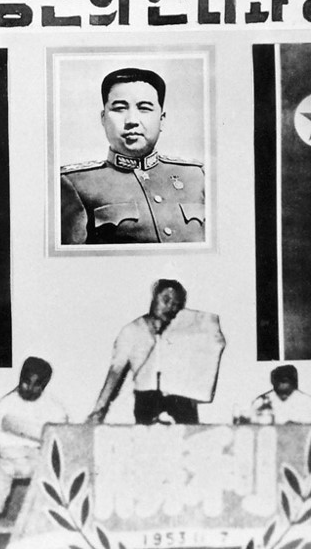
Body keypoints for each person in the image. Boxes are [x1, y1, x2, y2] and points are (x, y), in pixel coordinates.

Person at [61, 67, 205, 244]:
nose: (132, 121)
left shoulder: (197, 176)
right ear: (103, 118)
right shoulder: (75, 183)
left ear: (162, 119)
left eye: (144, 108)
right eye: (119, 108)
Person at [87, 280, 225, 425]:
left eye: (176, 305)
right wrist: (99, 409)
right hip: (147, 401)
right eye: (166, 300)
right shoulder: (132, 330)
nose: (170, 307)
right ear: (154, 296)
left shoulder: (185, 334)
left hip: (180, 402)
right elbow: (115, 371)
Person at [0, 356, 69, 531]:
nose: (30, 388)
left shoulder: (55, 408)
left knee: (58, 476)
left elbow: (59, 439)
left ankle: (52, 527)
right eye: (26, 382)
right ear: (20, 379)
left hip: (39, 460)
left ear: (44, 385)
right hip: (9, 459)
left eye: (37, 385)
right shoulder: (5, 405)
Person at [246, 364, 311, 426]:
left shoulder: (309, 402)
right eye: (279, 381)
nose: (282, 385)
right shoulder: (260, 402)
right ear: (273, 381)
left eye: (286, 381)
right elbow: (251, 428)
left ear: (294, 382)